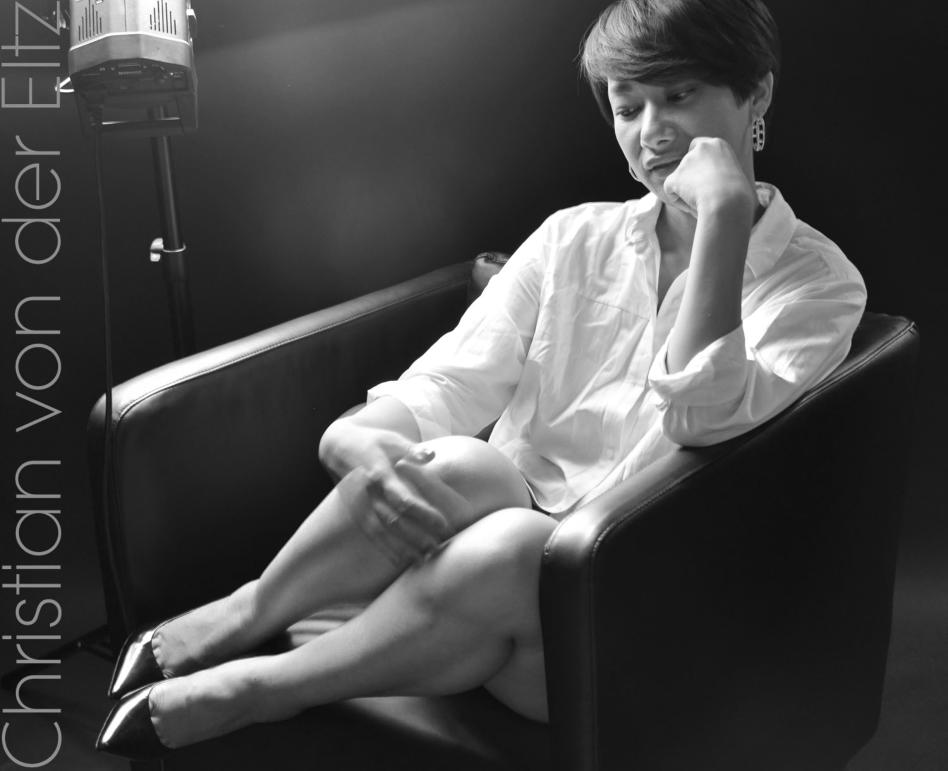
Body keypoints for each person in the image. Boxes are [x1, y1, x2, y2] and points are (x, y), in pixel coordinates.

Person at [96, 0, 867, 758]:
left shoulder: (819, 285)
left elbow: (702, 419)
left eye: (680, 95)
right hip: (479, 578)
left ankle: (265, 687)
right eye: (627, 106)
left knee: (520, 545)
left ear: (756, 94)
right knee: (466, 463)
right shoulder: (573, 238)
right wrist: (357, 436)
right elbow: (453, 380)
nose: (651, 131)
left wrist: (724, 217)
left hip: (628, 616)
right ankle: (246, 612)